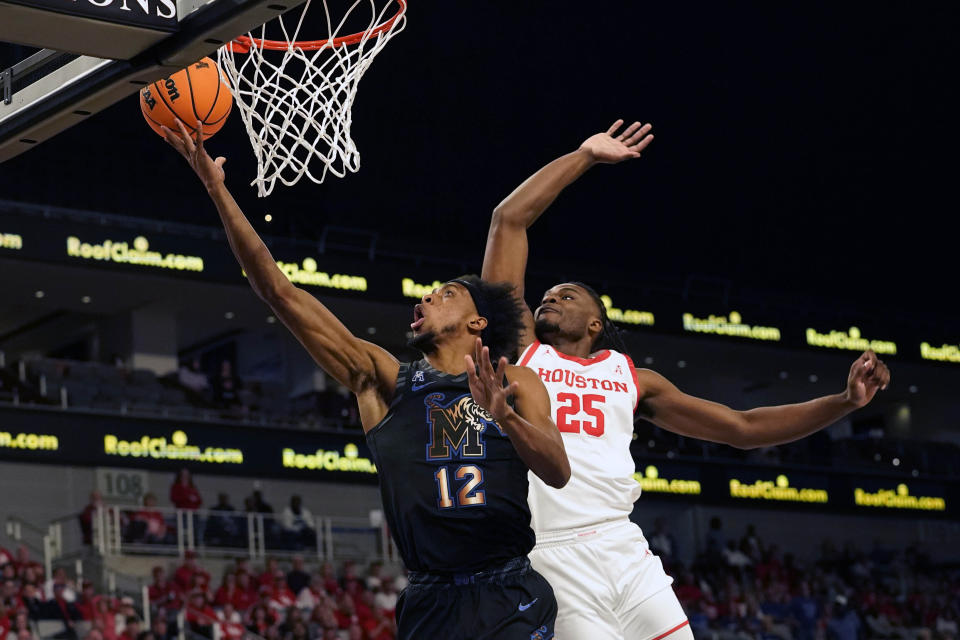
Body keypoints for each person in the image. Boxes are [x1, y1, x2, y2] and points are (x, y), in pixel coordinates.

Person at [481, 118, 893, 640]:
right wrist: (583, 156)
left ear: (596, 324)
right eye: (549, 293)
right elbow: (507, 222)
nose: (551, 297)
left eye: (568, 294)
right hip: (550, 552)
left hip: (623, 547)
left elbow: (742, 427)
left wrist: (844, 401)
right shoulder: (522, 352)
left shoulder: (634, 378)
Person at [162, 120, 570, 640]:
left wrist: (506, 418)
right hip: (430, 600)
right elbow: (279, 292)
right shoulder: (383, 380)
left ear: (477, 323)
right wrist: (218, 192)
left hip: (510, 591)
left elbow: (557, 472)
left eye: (444, 294)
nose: (424, 298)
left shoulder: (517, 382)